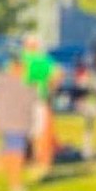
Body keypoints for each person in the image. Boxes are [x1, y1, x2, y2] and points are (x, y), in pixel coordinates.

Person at [0, 54, 37, 191]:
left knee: (11, 154)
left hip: (7, 124)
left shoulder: (3, 82)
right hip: (16, 124)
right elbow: (32, 100)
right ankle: (15, 186)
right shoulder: (22, 84)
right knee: (17, 156)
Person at [20, 33, 61, 179]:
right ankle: (38, 160)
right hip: (37, 100)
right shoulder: (42, 59)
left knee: (31, 131)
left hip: (29, 100)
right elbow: (57, 74)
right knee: (39, 131)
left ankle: (30, 159)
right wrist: (51, 87)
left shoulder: (24, 59)